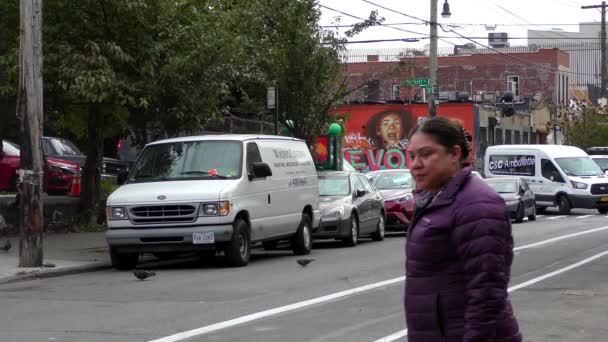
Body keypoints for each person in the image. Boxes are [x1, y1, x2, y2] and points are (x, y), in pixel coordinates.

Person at [404, 117, 521, 342]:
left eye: (426, 154)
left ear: (455, 154)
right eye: (412, 156)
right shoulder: (434, 199)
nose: (415, 164)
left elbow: (487, 293)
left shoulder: (476, 204)